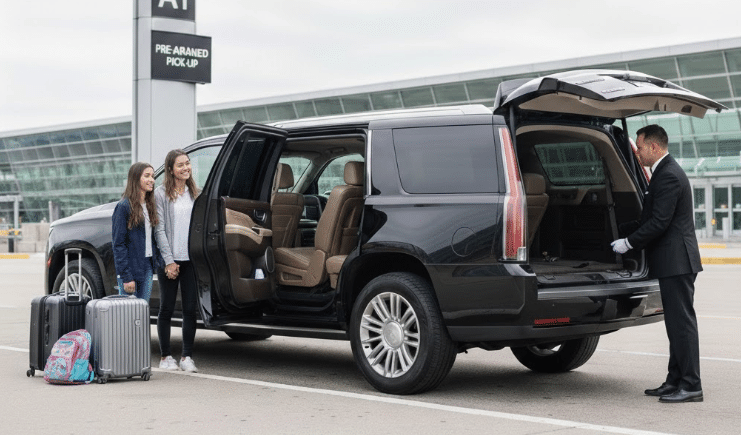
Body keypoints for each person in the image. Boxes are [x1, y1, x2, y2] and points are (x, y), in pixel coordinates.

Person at [611, 124, 703, 403]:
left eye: (639, 147)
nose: (637, 153)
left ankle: (691, 385)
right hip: (672, 261)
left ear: (653, 146)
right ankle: (674, 380)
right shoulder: (662, 173)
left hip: (677, 261)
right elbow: (648, 219)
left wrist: (628, 243)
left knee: (682, 325)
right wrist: (618, 231)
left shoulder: (669, 175)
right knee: (675, 326)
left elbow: (659, 223)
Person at [154, 149, 200, 373]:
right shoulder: (161, 194)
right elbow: (159, 229)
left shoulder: (194, 192)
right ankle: (165, 357)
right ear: (171, 169)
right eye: (180, 165)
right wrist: (169, 261)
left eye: (188, 163)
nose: (186, 168)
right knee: (167, 308)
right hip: (170, 260)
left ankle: (187, 356)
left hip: (190, 259)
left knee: (190, 309)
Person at [112, 162, 161, 301]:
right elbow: (118, 245)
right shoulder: (123, 207)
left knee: (142, 312)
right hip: (130, 270)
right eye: (147, 176)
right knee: (127, 316)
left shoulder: (150, 205)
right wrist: (126, 277)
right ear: (135, 178)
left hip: (147, 268)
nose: (152, 180)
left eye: (153, 176)